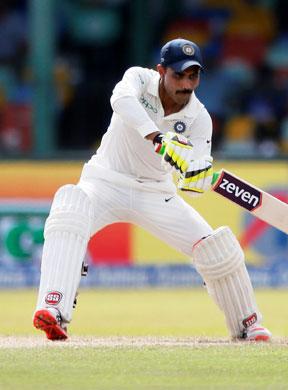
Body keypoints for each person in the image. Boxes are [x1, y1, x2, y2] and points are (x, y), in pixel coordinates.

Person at [32, 38, 271, 342]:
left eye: (193, 76)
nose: (186, 84)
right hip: (105, 181)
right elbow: (120, 100)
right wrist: (158, 137)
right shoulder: (139, 79)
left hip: (157, 193)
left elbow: (195, 178)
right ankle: (54, 310)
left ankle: (248, 324)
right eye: (178, 75)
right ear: (161, 71)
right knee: (69, 206)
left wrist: (193, 173)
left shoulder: (200, 119)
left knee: (216, 247)